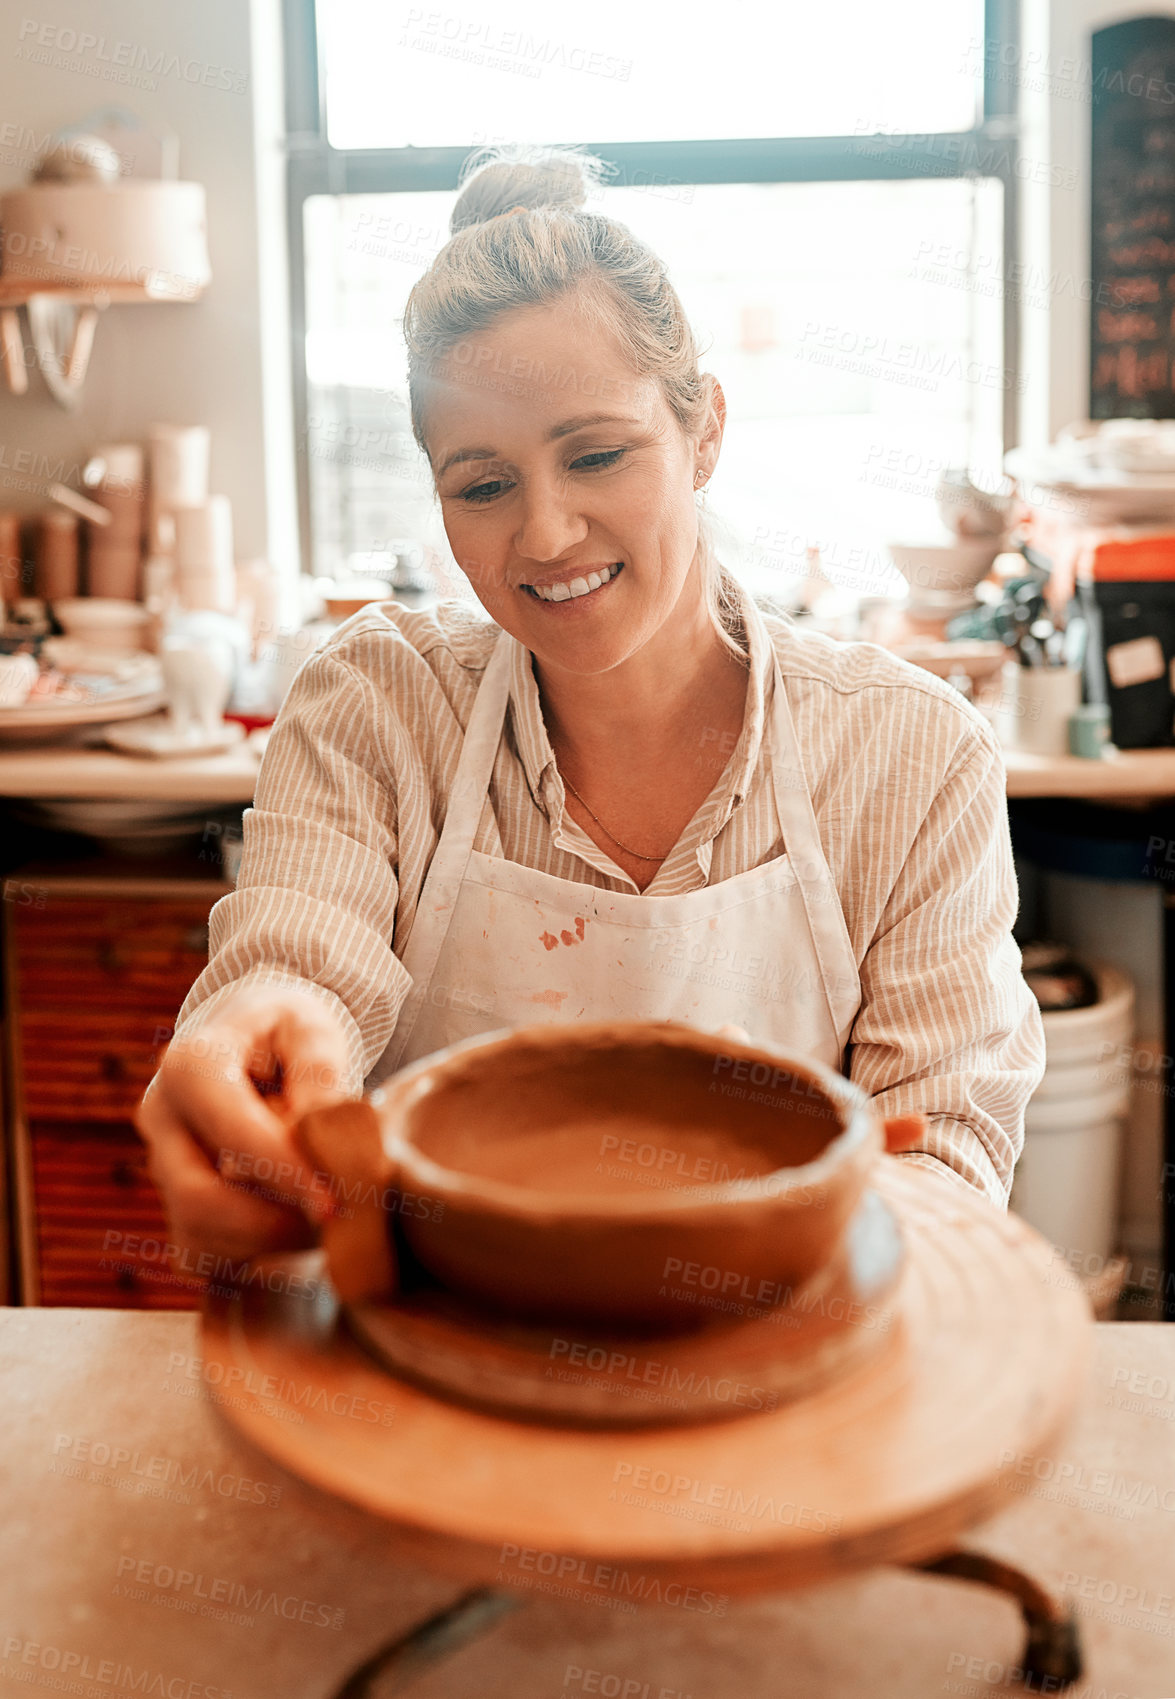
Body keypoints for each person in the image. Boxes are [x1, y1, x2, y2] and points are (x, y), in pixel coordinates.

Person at [137, 144, 1045, 1262]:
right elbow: (297, 960)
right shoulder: (378, 701)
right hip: (450, 1362)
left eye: (598, 454)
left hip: (770, 1361)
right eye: (481, 484)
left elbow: (941, 1151)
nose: (545, 534)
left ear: (703, 429)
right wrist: (257, 1042)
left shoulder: (907, 752)